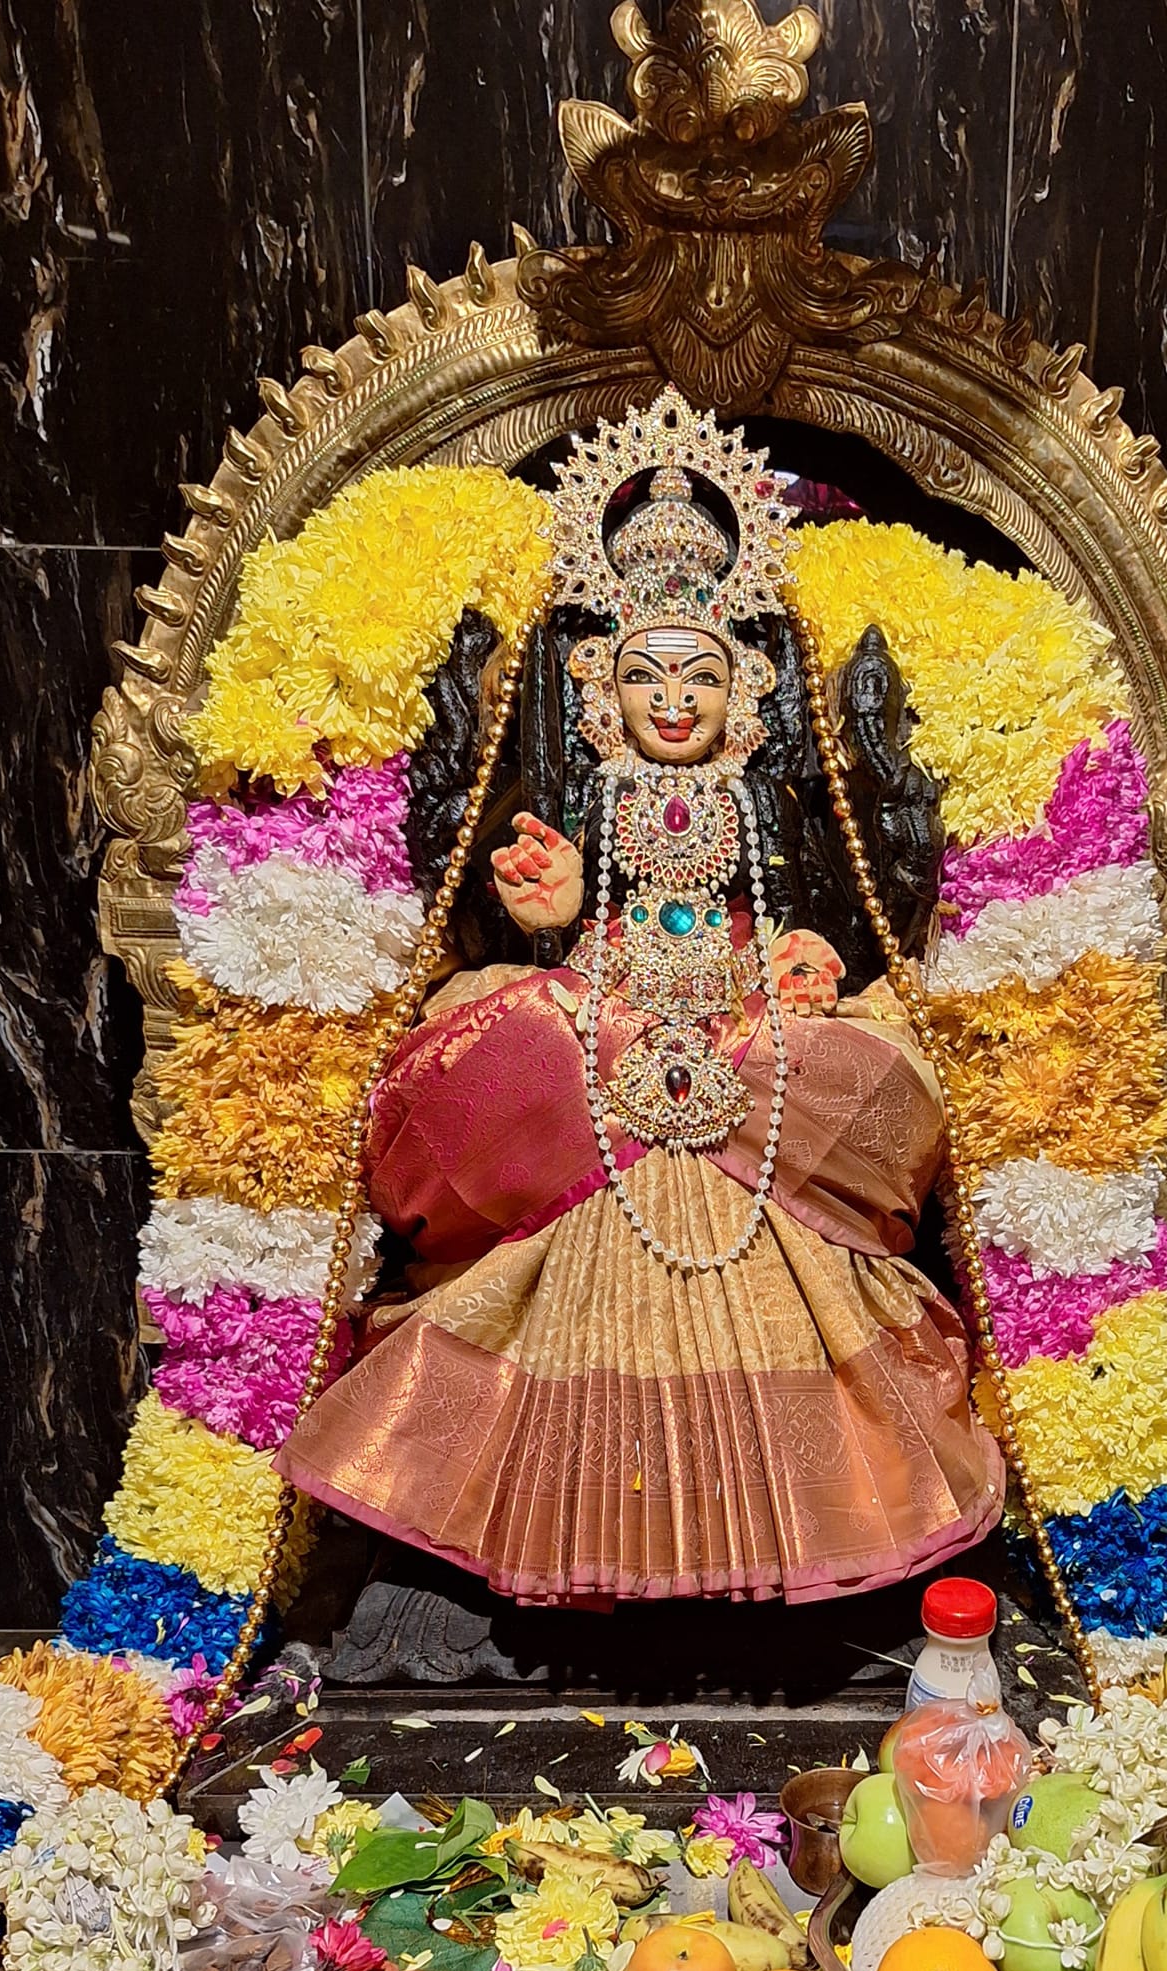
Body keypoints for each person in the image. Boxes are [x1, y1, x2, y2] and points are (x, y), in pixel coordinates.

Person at [276, 391, 1003, 1607]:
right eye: (647, 677)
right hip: (605, 1005)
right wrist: (552, 914)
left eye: (700, 678)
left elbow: (818, 907)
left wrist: (805, 960)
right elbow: (547, 905)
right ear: (600, 690)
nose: (673, 700)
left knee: (855, 1068)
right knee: (524, 1045)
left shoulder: (771, 794)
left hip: (739, 1014)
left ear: (745, 691)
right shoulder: (590, 791)